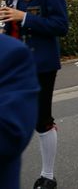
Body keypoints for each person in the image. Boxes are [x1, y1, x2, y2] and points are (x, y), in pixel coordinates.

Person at [0, 0, 69, 189]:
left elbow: (60, 26)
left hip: (39, 63)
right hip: (8, 63)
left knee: (41, 120)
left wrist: (24, 17)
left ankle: (47, 175)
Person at [0, 35, 40, 189]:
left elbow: (10, 136)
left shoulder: (10, 53)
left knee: (44, 123)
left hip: (43, 64)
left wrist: (26, 21)